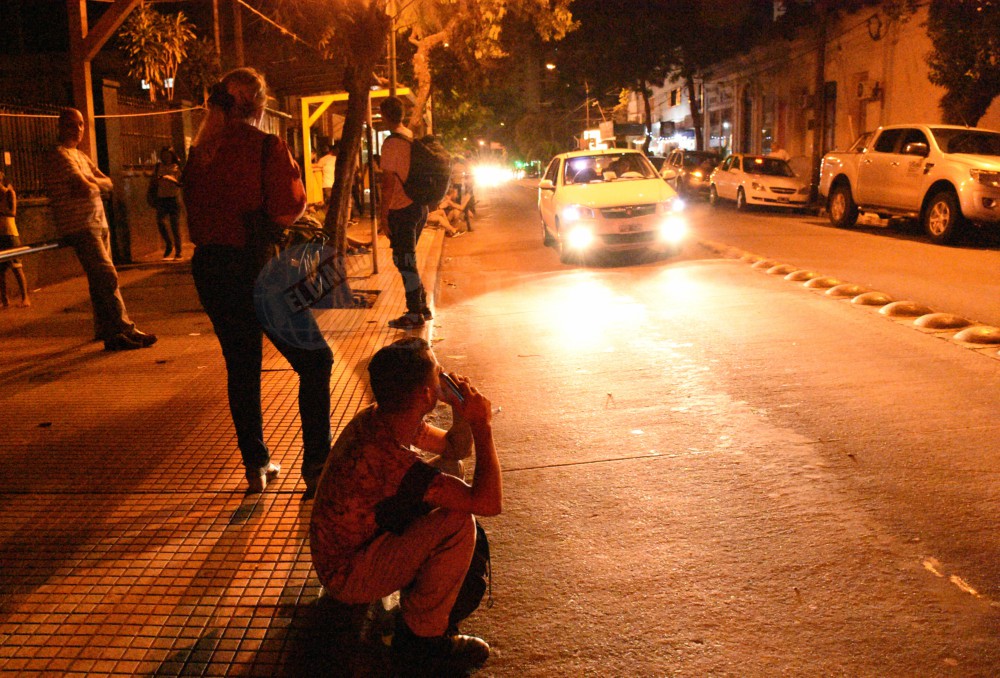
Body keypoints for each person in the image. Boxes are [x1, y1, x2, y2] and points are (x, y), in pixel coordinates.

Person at [182, 68, 333, 496]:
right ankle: (317, 466)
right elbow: (291, 207)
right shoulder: (266, 147)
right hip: (255, 269)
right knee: (316, 360)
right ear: (260, 105)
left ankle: (256, 464)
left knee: (242, 367)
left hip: (210, 270)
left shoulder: (199, 153)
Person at [310, 337, 501, 676]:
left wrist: (461, 416)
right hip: (347, 574)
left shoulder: (384, 418)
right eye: (437, 372)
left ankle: (418, 613)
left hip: (354, 548)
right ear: (425, 395)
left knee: (448, 474)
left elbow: (454, 449)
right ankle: (421, 642)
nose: (444, 375)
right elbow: (488, 502)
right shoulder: (385, 454)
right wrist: (482, 426)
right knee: (459, 523)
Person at [45, 108, 156, 351]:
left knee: (101, 281)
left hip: (97, 221)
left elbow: (107, 182)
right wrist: (92, 185)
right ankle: (123, 329)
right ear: (60, 127)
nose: (78, 129)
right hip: (80, 225)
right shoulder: (59, 155)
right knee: (107, 275)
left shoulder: (81, 156)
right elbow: (84, 186)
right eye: (71, 125)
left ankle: (109, 332)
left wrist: (92, 184)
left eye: (81, 124)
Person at [378, 96, 431, 330]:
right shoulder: (410, 136)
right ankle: (421, 306)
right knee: (407, 259)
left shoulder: (391, 144)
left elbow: (388, 184)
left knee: (405, 260)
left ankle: (414, 313)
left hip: (402, 209)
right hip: (420, 207)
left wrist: (383, 215)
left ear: (384, 115)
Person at [0, 169, 30, 308]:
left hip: (10, 233)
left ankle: (25, 298)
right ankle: (5, 300)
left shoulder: (9, 193)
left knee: (17, 267)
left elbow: (12, 213)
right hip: (1, 234)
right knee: (0, 270)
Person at [152, 147, 184, 259]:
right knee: (160, 222)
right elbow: (154, 181)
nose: (165, 157)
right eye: (164, 155)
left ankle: (178, 251)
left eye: (168, 155)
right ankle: (169, 244)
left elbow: (181, 183)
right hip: (162, 198)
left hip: (173, 197)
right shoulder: (158, 167)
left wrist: (171, 179)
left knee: (175, 225)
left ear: (172, 156)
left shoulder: (177, 167)